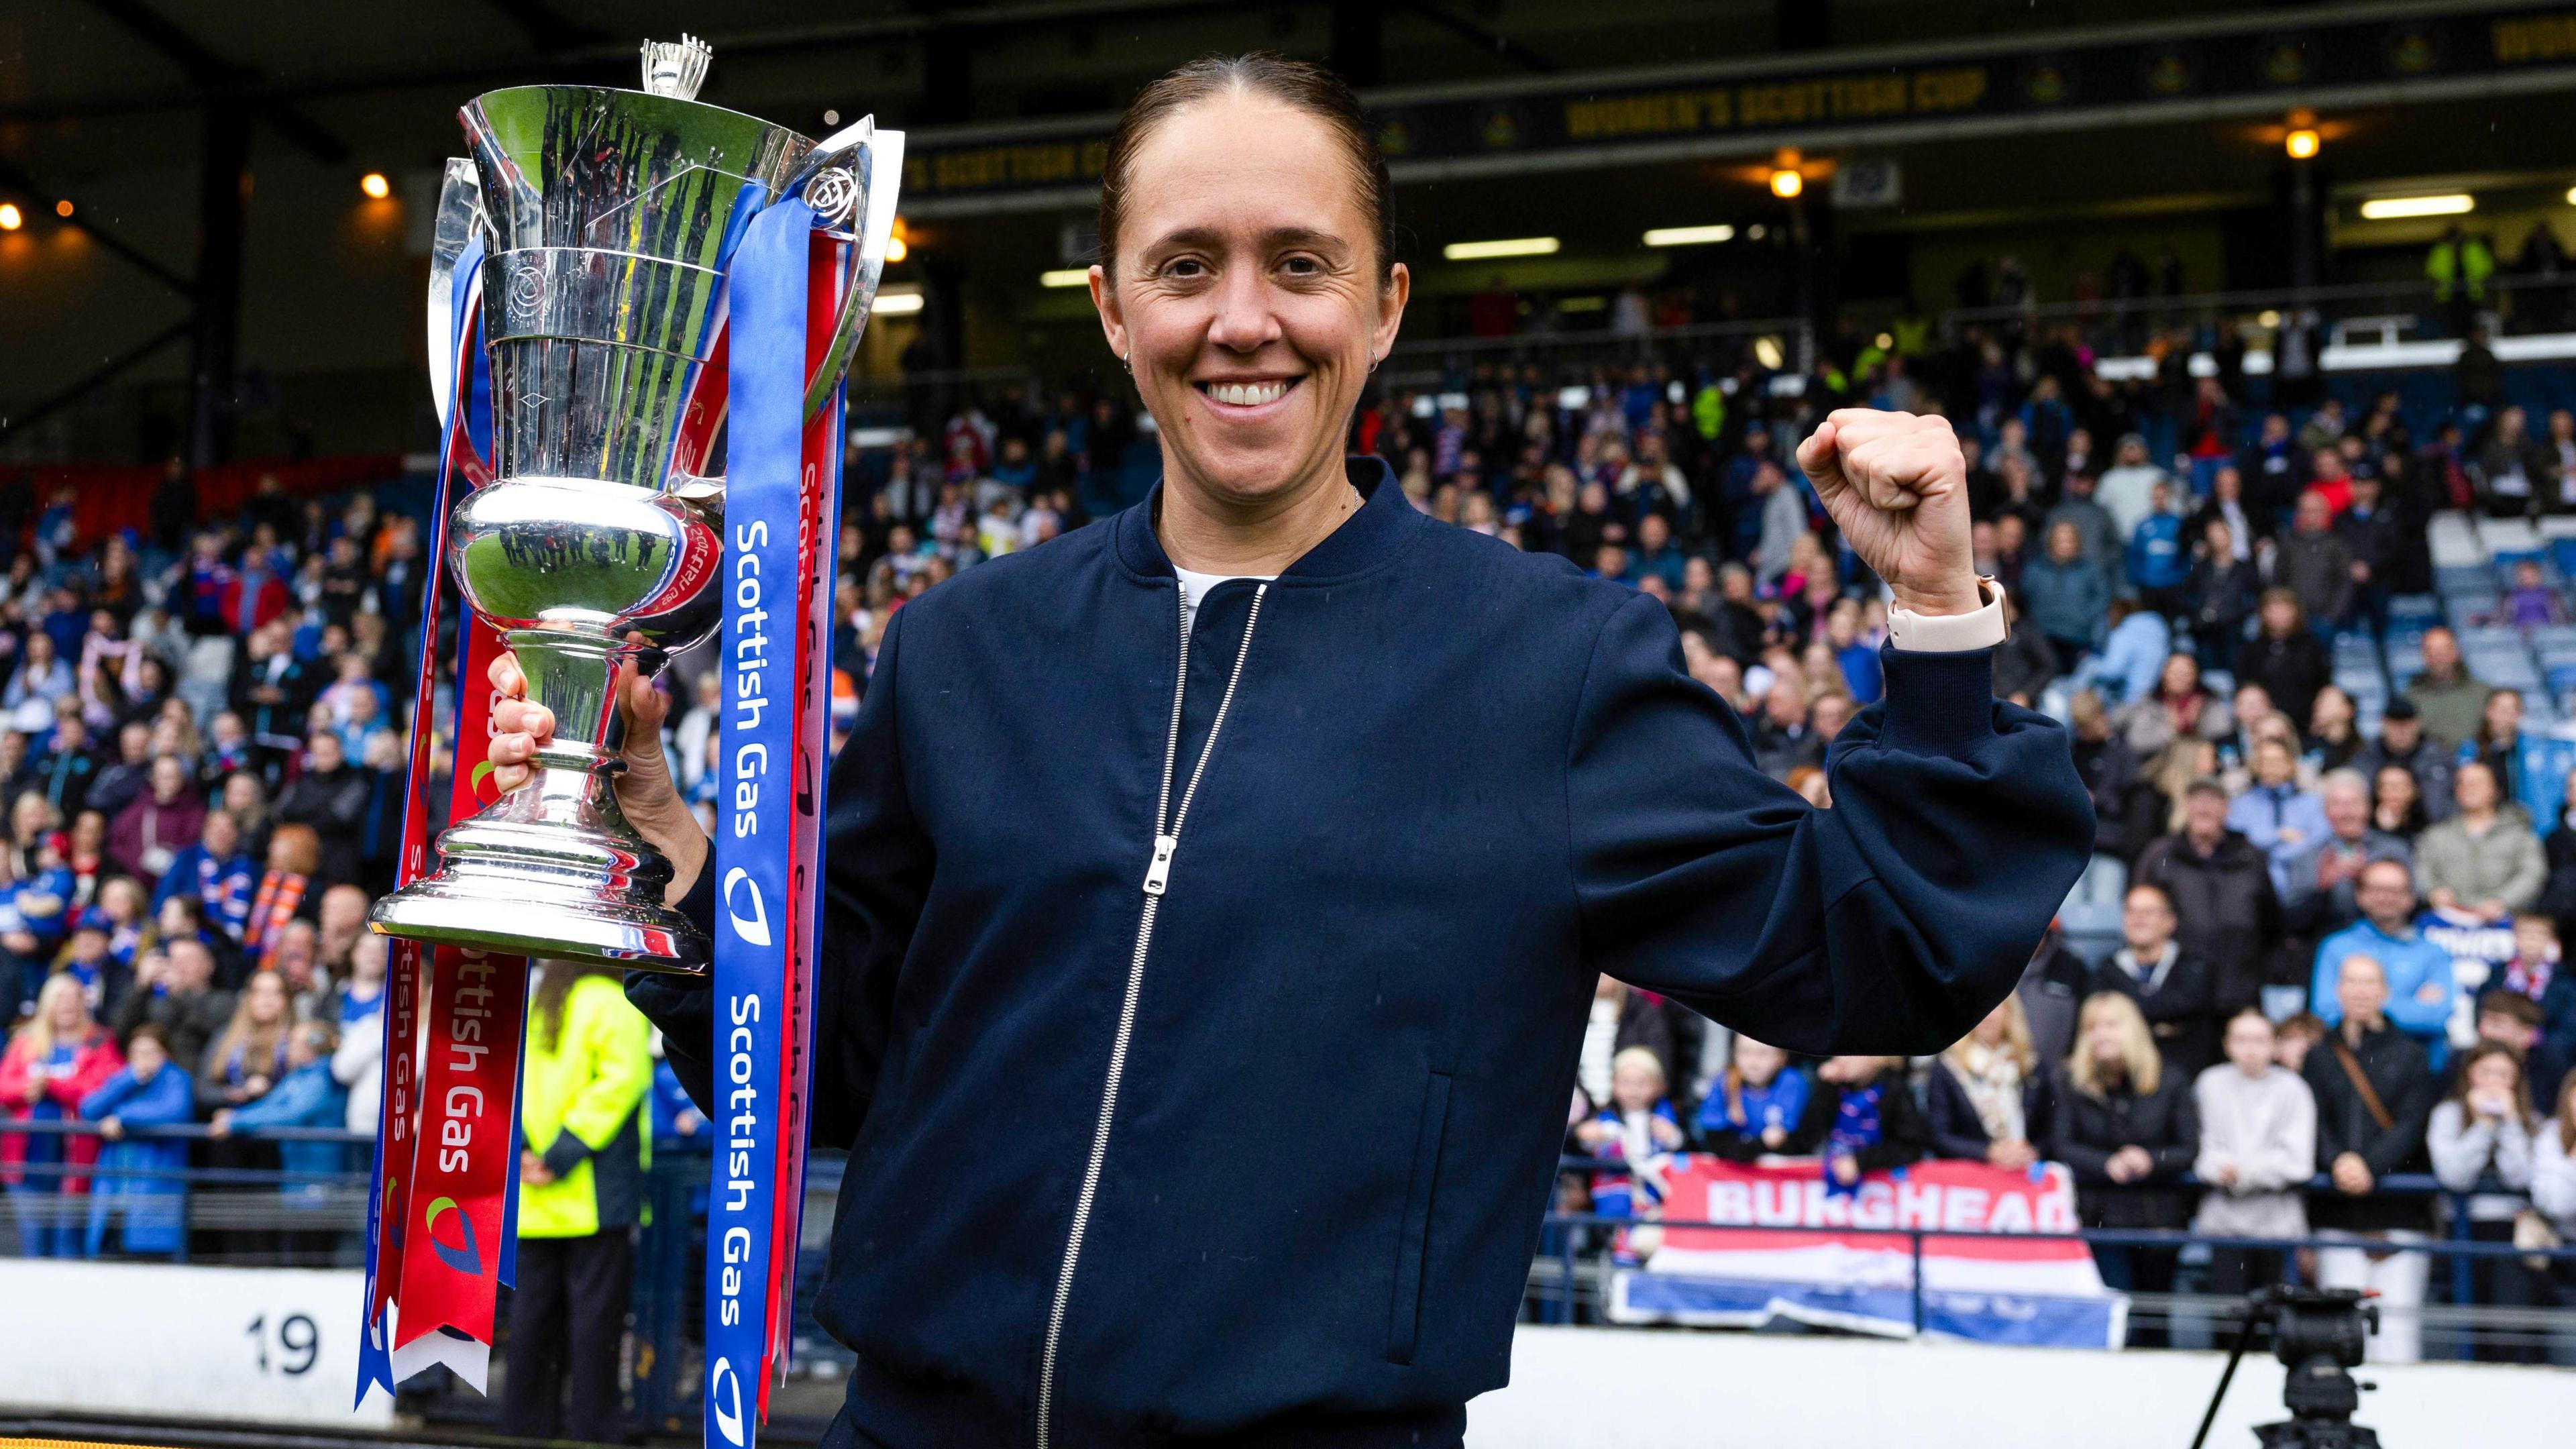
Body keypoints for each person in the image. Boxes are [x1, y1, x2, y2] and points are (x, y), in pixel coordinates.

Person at [482, 57, 2092, 1446]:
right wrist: (669, 839)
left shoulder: (1549, 663)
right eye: (1184, 266)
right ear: (1112, 311)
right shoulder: (963, 644)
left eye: (1298, 264)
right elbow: (836, 1068)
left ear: (1383, 308)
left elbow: (1876, 957)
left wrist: (1938, 613)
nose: (1241, 320)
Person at [501, 963, 653, 1444]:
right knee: (596, 1327)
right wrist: (563, 1153)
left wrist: (526, 1152)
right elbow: (622, 1081)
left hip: (533, 1198)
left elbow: (506, 1078)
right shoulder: (614, 1000)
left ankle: (524, 1429)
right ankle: (594, 1430)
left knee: (530, 1326)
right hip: (595, 1196)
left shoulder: (533, 1000)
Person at [2305, 953, 2439, 1362]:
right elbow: (2313, 1121)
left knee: (2397, 1336)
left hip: (2398, 1216)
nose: (2360, 991)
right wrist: (2338, 1162)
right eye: (2351, 981)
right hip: (2337, 1215)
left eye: (2369, 983)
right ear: (2337, 990)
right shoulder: (2319, 1055)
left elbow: (2412, 1125)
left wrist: (2366, 1166)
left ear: (2384, 992)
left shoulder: (2412, 1054)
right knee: (2337, 1337)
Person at [2051, 991, 2198, 1334]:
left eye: (2111, 1025)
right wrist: (2106, 1163)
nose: (2101, 1034)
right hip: (2100, 1217)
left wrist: (2151, 1159)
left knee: (2155, 1319)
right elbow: (2062, 1144)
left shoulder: (2170, 1079)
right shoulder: (2071, 1083)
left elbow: (2188, 1148)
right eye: (2092, 1027)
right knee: (2116, 1317)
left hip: (2159, 1216)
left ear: (2131, 1029)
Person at [2428, 1041, 2544, 1360]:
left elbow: (2519, 1176)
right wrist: (2483, 1125)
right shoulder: (2447, 1114)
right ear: (2470, 1076)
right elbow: (2455, 1176)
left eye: (2504, 1074)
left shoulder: (2530, 1120)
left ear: (2516, 1080)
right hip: (2462, 1231)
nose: (2494, 1081)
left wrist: (2508, 1124)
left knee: (2509, 1330)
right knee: (2468, 1327)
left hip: (2513, 1236)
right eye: (2486, 1072)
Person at [2192, 1008, 2315, 1302]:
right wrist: (2229, 1169)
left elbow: (2298, 1162)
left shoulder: (2293, 1088)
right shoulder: (2209, 1084)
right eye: (2242, 1039)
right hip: (2224, 1226)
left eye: (2259, 1040)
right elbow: (2203, 1151)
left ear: (2274, 1045)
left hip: (2276, 1226)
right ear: (2227, 1045)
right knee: (2227, 1316)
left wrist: (2240, 1173)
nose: (2250, 1048)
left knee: (2272, 1316)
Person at [2135, 777, 2285, 1018]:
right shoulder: (2160, 856)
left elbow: (2272, 923)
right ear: (2185, 807)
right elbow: (2139, 914)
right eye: (2197, 801)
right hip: (2179, 992)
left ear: (2227, 808)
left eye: (2212, 801)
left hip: (2240, 988)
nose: (2204, 808)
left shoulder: (2250, 857)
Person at [1, 975, 125, 1256]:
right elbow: (4, 1084)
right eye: (60, 997)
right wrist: (26, 1090)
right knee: (33, 1239)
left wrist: (53, 1086)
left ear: (85, 1002)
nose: (67, 1004)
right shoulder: (26, 1040)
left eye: (74, 997)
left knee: (67, 1239)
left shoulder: (100, 1041)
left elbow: (103, 1089)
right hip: (27, 1160)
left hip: (77, 1159)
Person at [2311, 859, 2459, 1070]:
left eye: (2395, 890)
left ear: (2411, 898)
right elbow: (2327, 1014)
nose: (2386, 897)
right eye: (2377, 889)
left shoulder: (2433, 952)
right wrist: (2410, 1004)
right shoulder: (2335, 947)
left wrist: (2360, 1004)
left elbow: (2437, 1017)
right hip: (2352, 1071)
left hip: (2419, 1074)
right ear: (2360, 896)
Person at [77, 1023, 195, 1258]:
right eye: (137, 1053)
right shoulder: (124, 1078)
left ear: (166, 1054)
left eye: (151, 1053)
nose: (144, 1060)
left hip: (154, 1185)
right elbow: (88, 1108)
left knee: (149, 1261)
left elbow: (173, 1111)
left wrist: (121, 1117)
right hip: (115, 1186)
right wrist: (127, 1080)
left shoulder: (176, 1079)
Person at [2092, 882, 2218, 1078]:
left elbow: (2193, 1008)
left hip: (2184, 1076)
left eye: (2149, 912)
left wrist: (2131, 1016)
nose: (2139, 919)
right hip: (2124, 1080)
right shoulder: (2106, 970)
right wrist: (2167, 1024)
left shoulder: (2196, 966)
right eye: (2131, 911)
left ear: (2170, 921)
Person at [2279, 769, 2415, 949]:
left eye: (2354, 803)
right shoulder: (2308, 857)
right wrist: (2322, 887)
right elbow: (2290, 921)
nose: (2347, 813)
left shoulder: (2395, 850)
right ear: (2326, 811)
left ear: (2368, 807)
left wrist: (2370, 883)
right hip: (2326, 951)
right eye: (2338, 805)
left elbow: (2414, 904)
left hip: (2389, 949)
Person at [1926, 994, 2047, 1167]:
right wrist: (1987, 1152)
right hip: (1971, 1177)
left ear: (2010, 1012)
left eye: (1995, 1007)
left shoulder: (2032, 1065)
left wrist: (2033, 1151)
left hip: (2024, 1173)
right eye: (1980, 1007)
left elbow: (2049, 1131)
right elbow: (1939, 1135)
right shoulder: (1948, 1066)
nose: (1987, 1016)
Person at [2419, 761, 2546, 919]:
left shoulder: (2519, 834)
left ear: (2496, 789)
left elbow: (2532, 873)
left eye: (2477, 783)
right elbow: (2422, 869)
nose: (2469, 788)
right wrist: (2433, 891)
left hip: (2505, 923)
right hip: (2447, 922)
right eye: (2462, 783)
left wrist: (2503, 901)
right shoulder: (2436, 835)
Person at [1781, 1055, 1929, 1188]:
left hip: (1880, 1190)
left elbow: (1910, 1148)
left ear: (1876, 1058)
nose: (1842, 1060)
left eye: (1851, 1054)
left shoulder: (1894, 1090)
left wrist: (1860, 1162)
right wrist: (1823, 1087)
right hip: (1834, 1186)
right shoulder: (1833, 1088)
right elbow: (1806, 1139)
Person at [2227, 735, 2329, 892]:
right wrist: (2278, 835)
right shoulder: (2241, 804)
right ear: (2256, 766)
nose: (2271, 767)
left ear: (2291, 764)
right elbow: (2238, 843)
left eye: (2277, 761)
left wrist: (2274, 853)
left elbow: (2320, 839)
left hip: (2305, 886)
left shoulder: (2312, 802)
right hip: (2252, 885)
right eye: (2265, 761)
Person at [1693, 1036, 1808, 1160]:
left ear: (1782, 1057)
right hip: (1733, 1171)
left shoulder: (1791, 1083)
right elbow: (1715, 1138)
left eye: (1762, 1054)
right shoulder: (1723, 1083)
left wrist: (1751, 1146)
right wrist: (1759, 1144)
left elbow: (1798, 1139)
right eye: (1745, 1052)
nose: (1753, 1063)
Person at [2233, 590, 2331, 732]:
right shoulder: (2251, 650)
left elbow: (2324, 686)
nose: (2280, 615)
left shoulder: (2313, 648)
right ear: (2263, 613)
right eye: (2274, 609)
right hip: (2261, 725)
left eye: (2285, 609)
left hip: (2305, 724)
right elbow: (2243, 686)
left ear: (2297, 612)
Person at [2354, 698, 2456, 827]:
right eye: (2395, 724)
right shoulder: (2366, 756)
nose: (2401, 731)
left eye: (2406, 724)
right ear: (2384, 724)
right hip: (2374, 831)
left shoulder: (2439, 757)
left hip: (2430, 830)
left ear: (2417, 724)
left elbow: (2450, 801)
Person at [2021, 519, 2110, 664]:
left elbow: (2102, 597)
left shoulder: (2090, 569)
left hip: (2077, 635)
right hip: (2042, 636)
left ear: (2077, 543)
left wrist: (2085, 617)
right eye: (2060, 540)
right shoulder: (2036, 568)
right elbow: (2025, 597)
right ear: (2051, 542)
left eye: (2070, 540)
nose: (2065, 545)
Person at [2402, 626, 2487, 751]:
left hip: (2476, 763)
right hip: (2429, 765)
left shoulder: (2483, 693)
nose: (2439, 657)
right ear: (2424, 656)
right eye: (2432, 651)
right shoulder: (2410, 699)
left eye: (2444, 650)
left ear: (2457, 652)